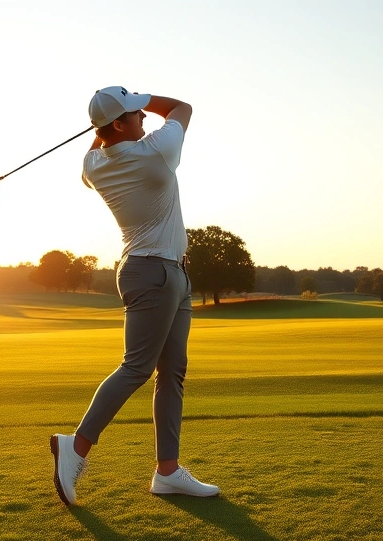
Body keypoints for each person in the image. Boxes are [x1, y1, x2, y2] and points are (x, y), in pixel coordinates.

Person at [49, 86, 219, 505]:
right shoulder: (154, 152)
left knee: (172, 372)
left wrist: (113, 117)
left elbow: (101, 145)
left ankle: (168, 472)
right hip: (154, 272)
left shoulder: (93, 166)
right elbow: (182, 107)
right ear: (121, 124)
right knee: (137, 367)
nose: (144, 116)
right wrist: (141, 94)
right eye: (135, 113)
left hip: (168, 272)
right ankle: (77, 447)